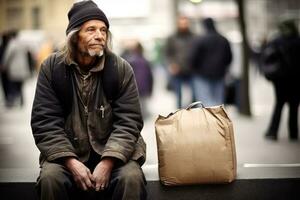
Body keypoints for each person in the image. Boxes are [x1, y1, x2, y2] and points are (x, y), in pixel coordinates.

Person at [31, 1, 147, 200]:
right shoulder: (52, 68)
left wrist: (108, 161)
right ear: (74, 36)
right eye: (91, 29)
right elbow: (45, 122)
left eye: (103, 30)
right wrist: (70, 162)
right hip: (67, 156)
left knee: (132, 178)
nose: (99, 35)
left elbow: (129, 121)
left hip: (116, 155)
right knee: (51, 178)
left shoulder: (121, 68)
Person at [262, 19, 300, 140]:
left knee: (279, 104)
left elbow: (267, 59)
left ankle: (273, 132)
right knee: (294, 107)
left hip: (280, 80)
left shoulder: (276, 41)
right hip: (296, 79)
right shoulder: (297, 41)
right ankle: (293, 133)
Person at [189, 18, 232, 107]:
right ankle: (216, 120)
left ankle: (207, 120)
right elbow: (229, 58)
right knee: (218, 103)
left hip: (202, 75)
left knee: (204, 102)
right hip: (219, 74)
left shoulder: (200, 40)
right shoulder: (223, 39)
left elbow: (193, 57)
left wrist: (193, 69)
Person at [165, 15, 195, 108]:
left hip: (192, 70)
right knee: (178, 95)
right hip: (177, 70)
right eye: (181, 23)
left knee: (194, 95)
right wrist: (171, 65)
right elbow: (167, 53)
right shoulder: (172, 38)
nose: (183, 25)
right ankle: (179, 115)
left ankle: (193, 114)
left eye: (185, 23)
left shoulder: (194, 37)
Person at [122, 41, 153, 119]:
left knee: (135, 106)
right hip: (144, 87)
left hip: (134, 86)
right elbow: (150, 76)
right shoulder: (145, 61)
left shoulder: (129, 61)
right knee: (143, 106)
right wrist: (150, 89)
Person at [3, 30, 31, 107]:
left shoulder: (11, 44)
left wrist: (4, 65)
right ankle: (22, 100)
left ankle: (14, 101)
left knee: (13, 86)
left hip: (14, 69)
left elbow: (7, 55)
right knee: (21, 86)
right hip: (23, 68)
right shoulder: (22, 43)